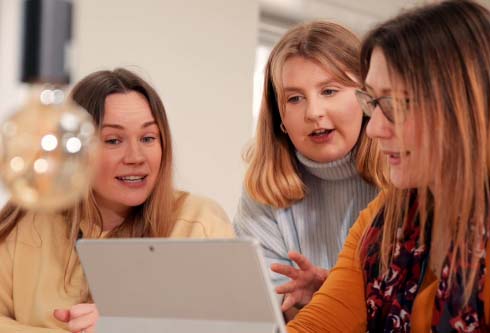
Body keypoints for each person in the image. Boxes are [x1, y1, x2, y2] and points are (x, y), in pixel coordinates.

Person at [287, 1, 490, 332]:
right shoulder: (383, 219)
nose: (373, 128)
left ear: (464, 106)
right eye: (372, 102)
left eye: (395, 104)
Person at [0, 68, 234, 333]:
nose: (135, 157)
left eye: (148, 138)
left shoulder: (200, 224)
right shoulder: (29, 217)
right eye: (113, 140)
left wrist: (128, 324)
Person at [233, 20, 383, 314]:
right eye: (295, 98)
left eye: (329, 91)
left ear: (366, 98)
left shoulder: (403, 179)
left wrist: (328, 294)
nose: (314, 112)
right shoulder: (263, 192)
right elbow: (265, 308)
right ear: (281, 119)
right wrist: (305, 304)